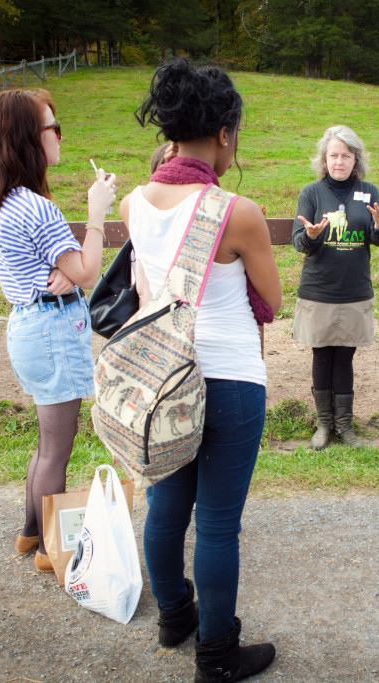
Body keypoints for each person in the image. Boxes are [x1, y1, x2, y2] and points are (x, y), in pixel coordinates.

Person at [120, 59, 281, 683]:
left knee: (165, 509)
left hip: (163, 381)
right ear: (223, 132)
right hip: (231, 378)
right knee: (217, 524)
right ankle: (217, 654)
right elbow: (269, 298)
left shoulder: (135, 203)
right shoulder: (237, 211)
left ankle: (174, 617)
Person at [0, 88, 117, 573]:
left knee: (45, 443)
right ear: (26, 139)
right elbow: (89, 272)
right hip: (52, 331)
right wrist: (97, 210)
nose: (59, 135)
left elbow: (63, 269)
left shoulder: (2, 203)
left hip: (27, 325)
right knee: (57, 448)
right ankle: (49, 553)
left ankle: (30, 531)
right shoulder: (37, 207)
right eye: (52, 127)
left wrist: (60, 272)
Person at [292, 125, 379, 450]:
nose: (339, 161)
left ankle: (345, 426)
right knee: (322, 357)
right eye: (334, 155)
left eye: (346, 156)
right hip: (318, 292)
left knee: (346, 358)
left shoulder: (369, 191)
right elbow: (298, 242)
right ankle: (324, 426)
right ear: (325, 159)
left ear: (356, 159)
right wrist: (309, 236)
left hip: (354, 292)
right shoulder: (311, 193)